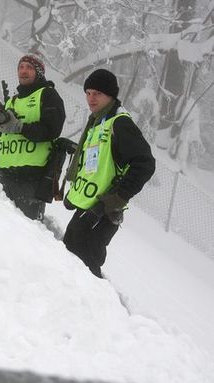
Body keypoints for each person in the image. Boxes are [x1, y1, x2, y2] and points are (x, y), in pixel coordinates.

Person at [62, 68, 155, 278]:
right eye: (88, 93)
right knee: (72, 257)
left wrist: (116, 198)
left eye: (98, 94)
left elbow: (145, 163)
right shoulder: (98, 122)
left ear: (110, 96)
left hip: (102, 211)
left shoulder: (119, 123)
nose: (91, 98)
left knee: (84, 267)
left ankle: (98, 308)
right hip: (89, 207)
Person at [0, 54, 66, 221]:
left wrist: (20, 127)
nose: (23, 71)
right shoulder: (12, 101)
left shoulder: (48, 95)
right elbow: (0, 132)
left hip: (30, 179)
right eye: (20, 67)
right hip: (3, 172)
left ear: (39, 73)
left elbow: (52, 130)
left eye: (29, 67)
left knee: (24, 231)